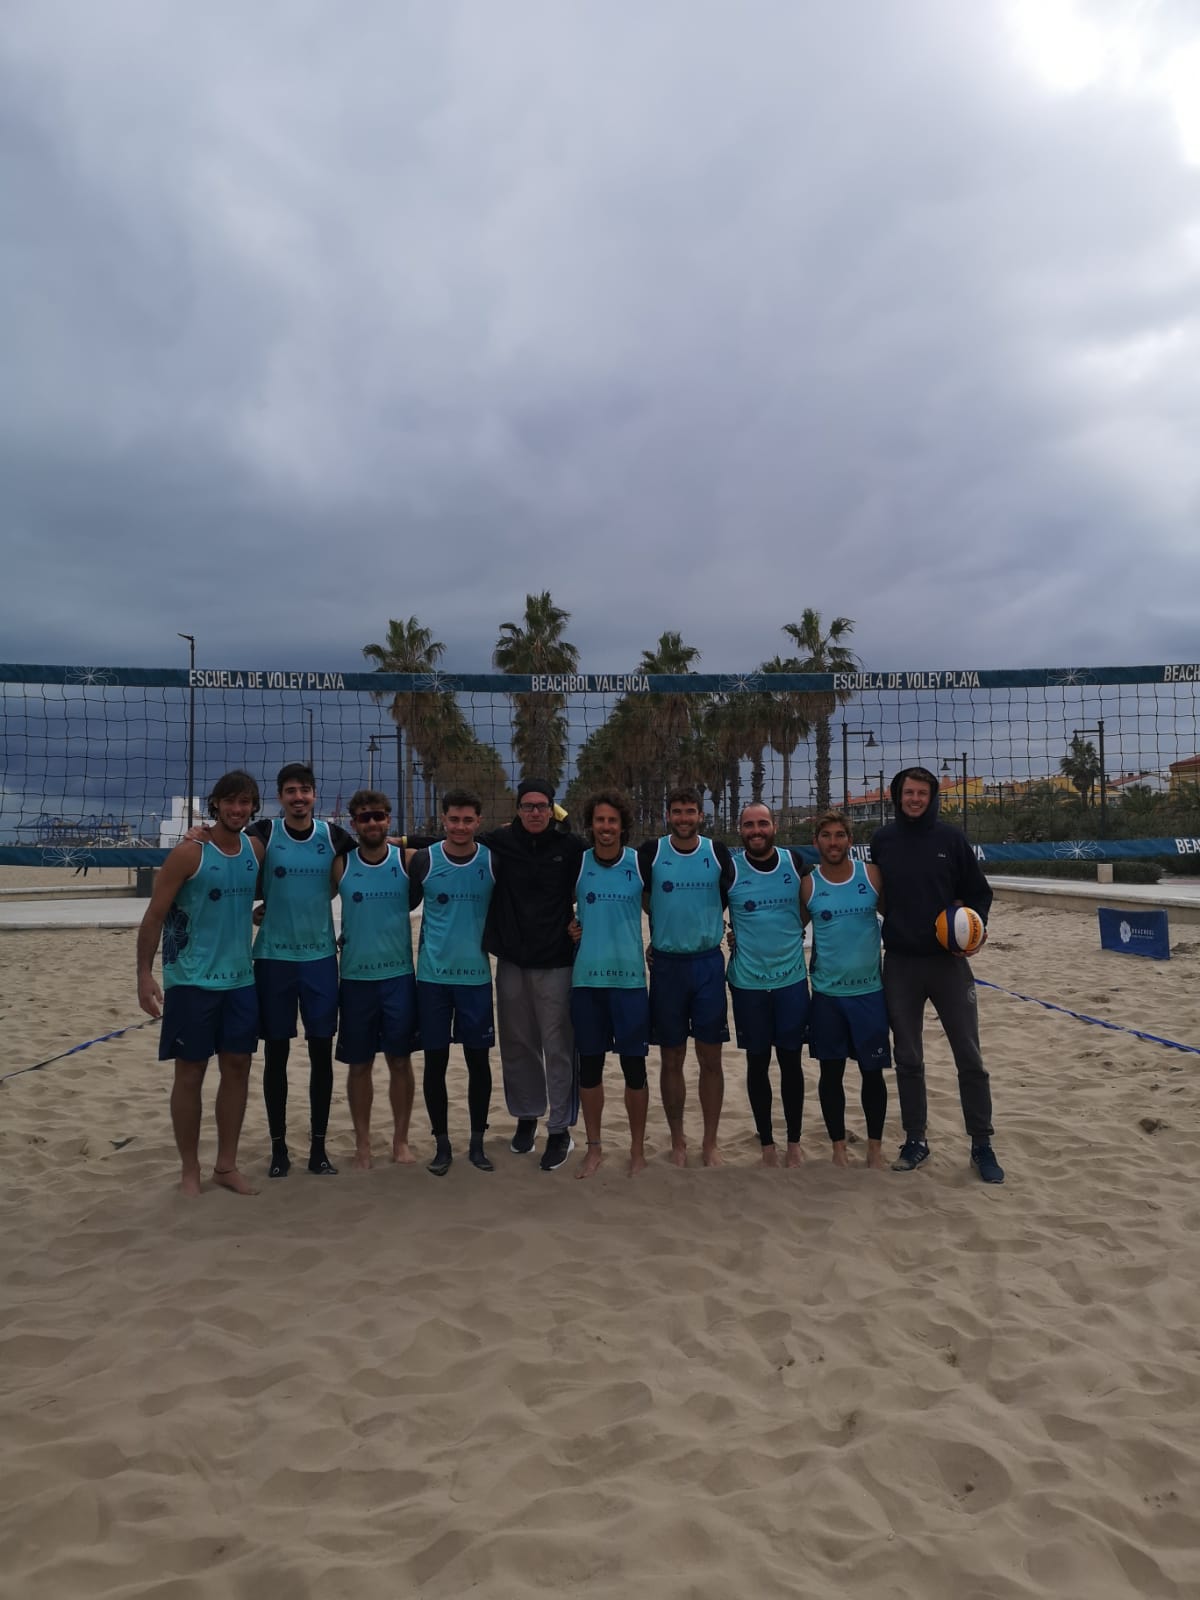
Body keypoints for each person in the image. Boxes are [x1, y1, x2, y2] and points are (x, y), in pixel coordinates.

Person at [869, 766, 1003, 1183]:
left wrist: (976, 929)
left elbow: (979, 892)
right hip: (900, 964)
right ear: (897, 796)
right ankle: (915, 1140)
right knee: (908, 1057)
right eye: (908, 792)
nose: (914, 799)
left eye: (921, 793)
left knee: (970, 1056)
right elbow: (878, 895)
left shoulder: (951, 839)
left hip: (948, 963)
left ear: (932, 798)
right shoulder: (882, 840)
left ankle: (981, 1144)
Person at [136, 770, 264, 1196]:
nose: (237, 809)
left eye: (245, 802)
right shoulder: (189, 853)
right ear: (215, 805)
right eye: (230, 801)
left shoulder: (255, 849)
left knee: (237, 1069)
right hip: (191, 981)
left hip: (240, 980)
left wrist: (256, 914)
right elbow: (154, 916)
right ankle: (189, 1170)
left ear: (253, 807)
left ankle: (225, 1166)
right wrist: (143, 974)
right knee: (190, 1073)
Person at [248, 763, 355, 1179]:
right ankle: (279, 1149)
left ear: (314, 794)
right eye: (291, 790)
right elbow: (227, 854)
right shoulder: (264, 833)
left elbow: (373, 858)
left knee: (320, 1055)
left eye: (305, 790)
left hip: (319, 959)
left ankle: (318, 1149)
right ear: (280, 796)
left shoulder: (333, 837)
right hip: (274, 959)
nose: (298, 797)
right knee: (276, 1055)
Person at [479, 779, 585, 1172]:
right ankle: (527, 1116)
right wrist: (399, 841)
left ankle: (559, 1129)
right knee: (517, 1045)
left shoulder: (571, 847)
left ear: (552, 809)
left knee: (558, 1047)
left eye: (542, 806)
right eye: (528, 806)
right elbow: (450, 841)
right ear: (518, 810)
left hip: (556, 961)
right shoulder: (500, 842)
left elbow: (602, 876)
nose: (535, 812)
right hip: (512, 960)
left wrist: (582, 923)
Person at [638, 788, 734, 1167]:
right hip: (667, 966)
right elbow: (643, 897)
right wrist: (663, 929)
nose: (683, 818)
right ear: (668, 815)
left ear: (700, 816)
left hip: (707, 964)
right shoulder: (652, 853)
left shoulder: (716, 852)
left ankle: (710, 1143)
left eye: (690, 811)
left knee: (711, 1058)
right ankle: (678, 1141)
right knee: (671, 1057)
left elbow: (731, 898)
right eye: (677, 811)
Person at [408, 788, 497, 1177]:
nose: (460, 827)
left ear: (479, 822)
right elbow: (399, 904)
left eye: (467, 820)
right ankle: (442, 1144)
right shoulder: (425, 860)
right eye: (454, 819)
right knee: (435, 1063)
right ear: (443, 820)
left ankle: (477, 1143)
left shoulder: (492, 860)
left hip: (476, 977)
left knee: (478, 1062)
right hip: (432, 978)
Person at [332, 790, 421, 1169]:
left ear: (389, 819)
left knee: (400, 1061)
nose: (372, 823)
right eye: (364, 817)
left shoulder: (408, 859)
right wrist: (265, 908)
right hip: (355, 979)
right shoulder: (341, 864)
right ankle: (363, 1145)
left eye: (379, 816)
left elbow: (452, 844)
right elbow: (304, 897)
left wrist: (404, 840)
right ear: (353, 823)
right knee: (360, 1065)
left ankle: (401, 1141)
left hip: (398, 977)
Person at [568, 790, 651, 1178]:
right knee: (590, 1068)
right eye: (600, 820)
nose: (606, 827)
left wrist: (659, 946)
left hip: (629, 981)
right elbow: (548, 904)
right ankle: (594, 1148)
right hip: (587, 981)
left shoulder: (639, 863)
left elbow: (662, 908)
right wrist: (567, 927)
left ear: (622, 825)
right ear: (591, 824)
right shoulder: (579, 863)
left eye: (612, 820)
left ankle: (637, 1150)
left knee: (635, 1069)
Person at [803, 811, 890, 1169]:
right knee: (831, 1074)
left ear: (850, 841)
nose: (833, 841)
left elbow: (901, 917)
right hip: (827, 995)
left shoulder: (871, 875)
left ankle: (874, 1149)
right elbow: (786, 929)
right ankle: (838, 1149)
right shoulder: (808, 885)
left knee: (873, 1073)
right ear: (816, 842)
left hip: (869, 993)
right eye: (826, 835)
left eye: (840, 835)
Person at [725, 802, 809, 1168]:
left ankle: (794, 1142)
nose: (756, 830)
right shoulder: (730, 869)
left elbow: (815, 901)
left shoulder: (795, 863)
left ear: (774, 826)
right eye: (749, 825)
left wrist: (795, 930)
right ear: (740, 830)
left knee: (791, 1062)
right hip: (748, 983)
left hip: (791, 980)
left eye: (762, 823)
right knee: (757, 1062)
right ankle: (767, 1146)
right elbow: (703, 910)